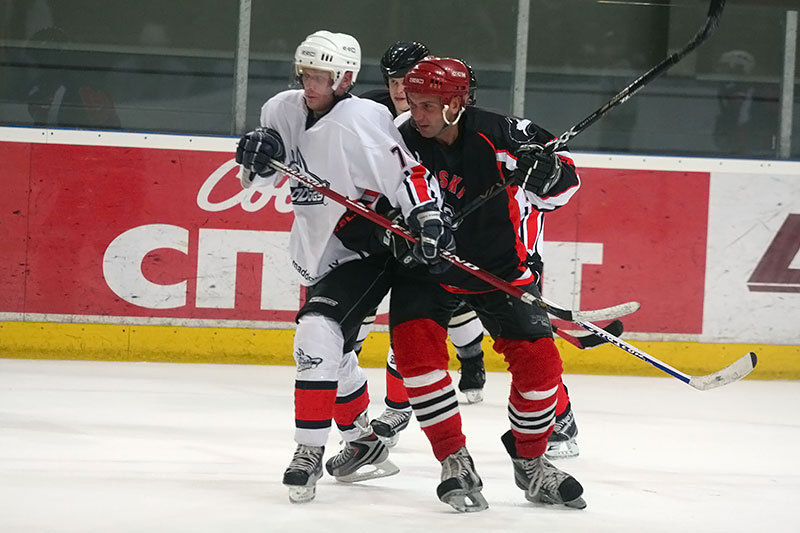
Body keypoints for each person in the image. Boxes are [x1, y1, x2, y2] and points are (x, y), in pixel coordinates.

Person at [234, 30, 450, 504]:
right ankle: (362, 440)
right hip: (319, 249)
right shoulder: (280, 110)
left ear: (345, 79)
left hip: (367, 247)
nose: (310, 84)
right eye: (306, 74)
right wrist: (257, 159)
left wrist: (427, 217)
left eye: (322, 76)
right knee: (338, 349)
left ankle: (308, 451)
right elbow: (261, 176)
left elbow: (407, 173)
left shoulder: (364, 118)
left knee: (316, 332)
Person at [386, 56, 587, 511]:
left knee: (542, 369)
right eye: (413, 103)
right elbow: (378, 193)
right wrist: (394, 233)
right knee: (417, 359)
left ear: (456, 104)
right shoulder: (400, 137)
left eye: (428, 105)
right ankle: (453, 460)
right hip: (428, 267)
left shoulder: (503, 134)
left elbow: (566, 182)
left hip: (498, 270)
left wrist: (549, 175)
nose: (417, 114)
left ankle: (531, 462)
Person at [357, 42, 487, 449]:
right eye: (394, 81)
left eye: (409, 82)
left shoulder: (456, 123)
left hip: (445, 232)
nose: (401, 90)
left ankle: (556, 410)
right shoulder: (371, 114)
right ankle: (393, 406)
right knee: (398, 320)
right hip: (396, 235)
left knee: (496, 317)